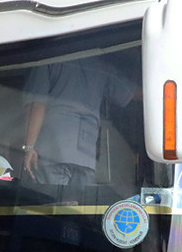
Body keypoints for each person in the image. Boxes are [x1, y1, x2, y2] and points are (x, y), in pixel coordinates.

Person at [21, 58, 134, 186]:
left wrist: (29, 147)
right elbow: (129, 93)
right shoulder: (100, 62)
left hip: (52, 152)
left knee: (51, 203)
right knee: (79, 205)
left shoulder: (47, 58)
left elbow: (36, 105)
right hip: (87, 155)